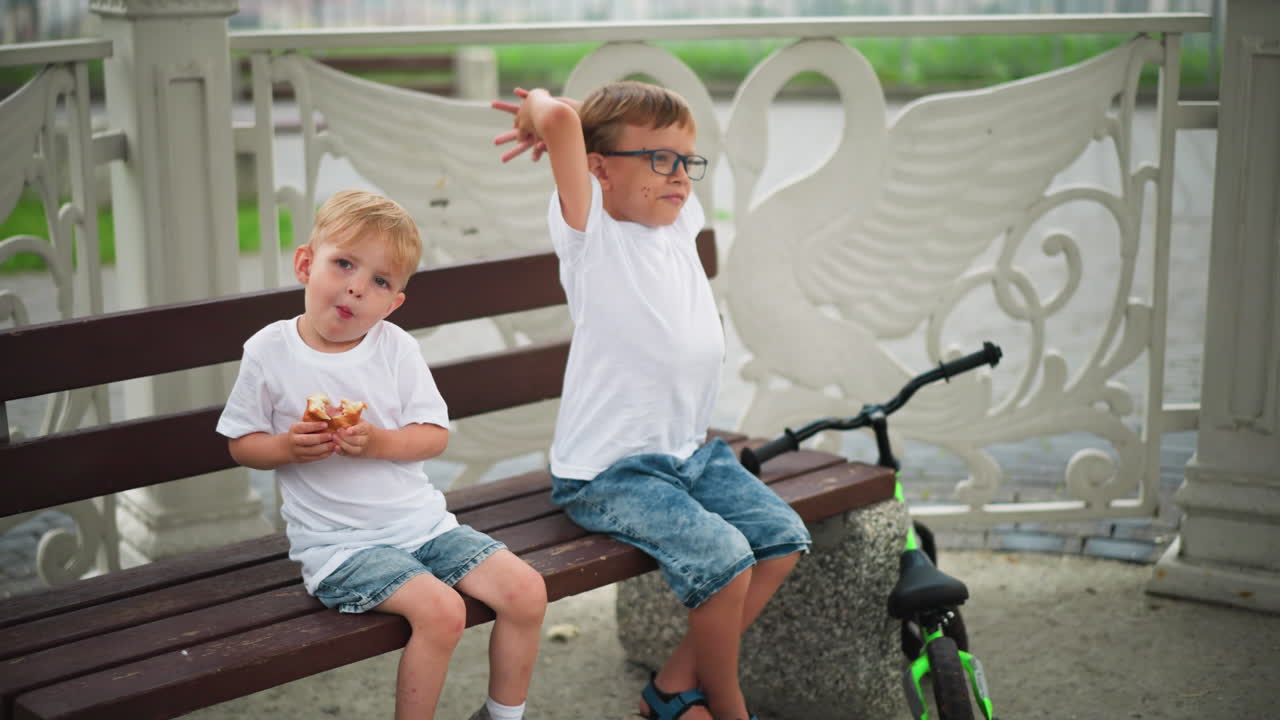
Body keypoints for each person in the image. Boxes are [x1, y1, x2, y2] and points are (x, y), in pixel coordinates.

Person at [492, 82, 811, 720]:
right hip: (608, 473)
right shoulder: (592, 233)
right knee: (725, 560)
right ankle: (728, 704)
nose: (679, 176)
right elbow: (560, 121)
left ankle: (671, 688)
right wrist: (539, 110)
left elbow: (612, 134)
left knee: (782, 539)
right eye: (660, 160)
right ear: (599, 170)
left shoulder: (677, 222)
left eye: (686, 161)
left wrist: (619, 133)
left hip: (686, 454)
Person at [216, 189, 546, 720]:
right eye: (344, 264)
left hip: (423, 526)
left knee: (527, 591)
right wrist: (285, 447)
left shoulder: (396, 349)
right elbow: (241, 443)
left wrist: (377, 442)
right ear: (305, 264)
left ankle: (502, 715)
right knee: (442, 612)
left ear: (393, 304)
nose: (357, 286)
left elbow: (433, 435)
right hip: (340, 546)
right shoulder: (269, 351)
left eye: (380, 281)